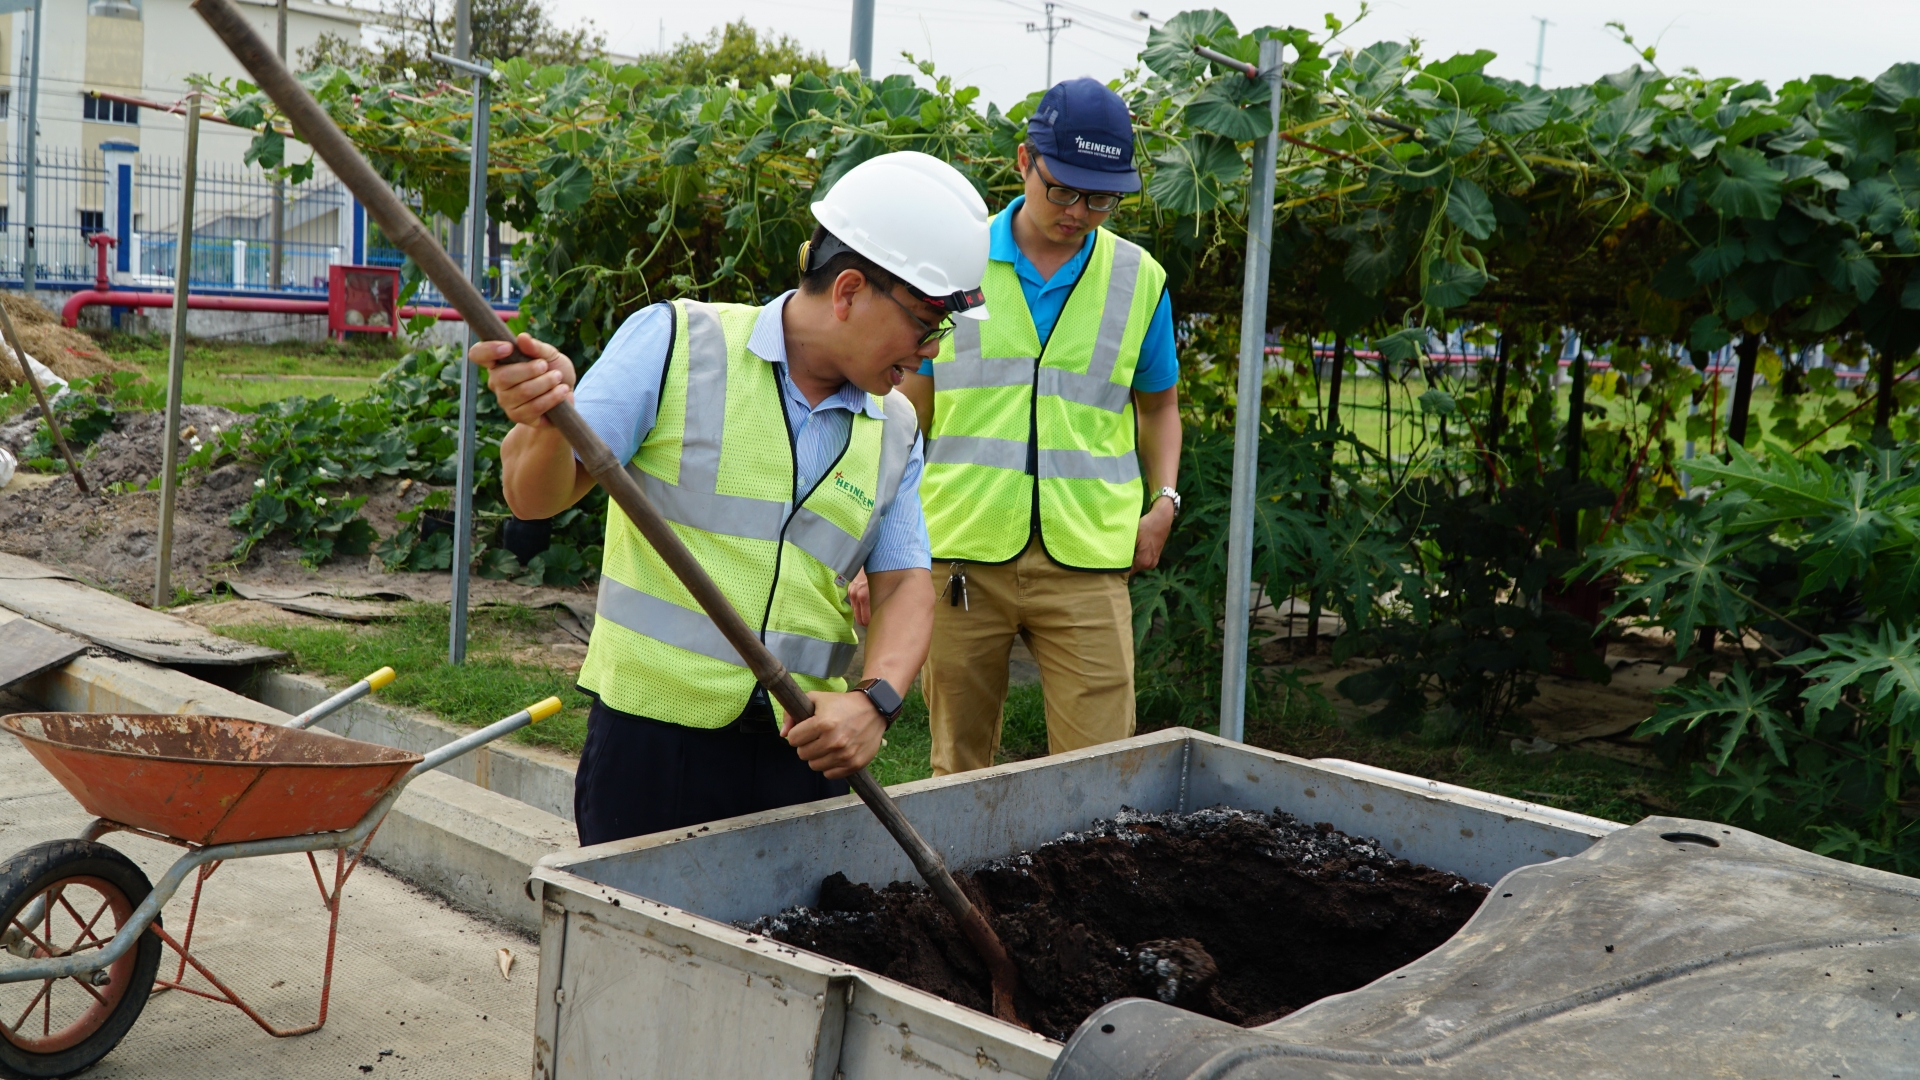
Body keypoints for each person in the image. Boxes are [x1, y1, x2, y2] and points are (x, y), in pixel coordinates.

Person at [470, 151, 990, 845]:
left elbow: (904, 588)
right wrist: (542, 420)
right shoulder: (679, 343)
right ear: (849, 291)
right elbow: (536, 496)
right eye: (927, 325)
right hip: (652, 748)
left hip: (800, 755)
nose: (930, 352)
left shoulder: (894, 426)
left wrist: (875, 703)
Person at [862, 77, 1183, 777]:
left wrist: (1164, 503)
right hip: (959, 554)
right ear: (1023, 162)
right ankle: (965, 891)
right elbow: (903, 409)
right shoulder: (955, 262)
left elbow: (1158, 406)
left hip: (1091, 559)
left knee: (1102, 774)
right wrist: (872, 533)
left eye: (1100, 198)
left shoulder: (1140, 279)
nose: (1078, 212)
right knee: (957, 767)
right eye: (1063, 190)